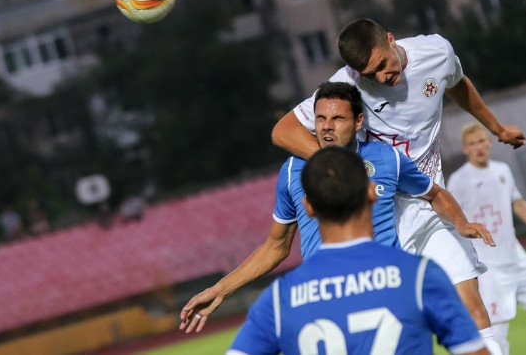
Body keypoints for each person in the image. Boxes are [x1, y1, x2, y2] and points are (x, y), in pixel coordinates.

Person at [271, 18, 524, 351]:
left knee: (471, 311)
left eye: (381, 65)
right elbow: (284, 131)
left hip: (431, 204)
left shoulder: (437, 52)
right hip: (382, 219)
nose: (380, 77)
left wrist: (496, 128)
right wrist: (338, 163)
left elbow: (457, 84)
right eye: (369, 74)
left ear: (391, 39)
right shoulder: (347, 82)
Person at [180, 82, 494, 335]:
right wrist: (221, 289)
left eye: (338, 119)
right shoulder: (293, 172)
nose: (327, 128)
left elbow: (434, 194)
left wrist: (460, 222)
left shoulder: (386, 158)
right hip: (327, 299)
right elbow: (276, 246)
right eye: (320, 119)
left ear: (358, 122)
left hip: (386, 290)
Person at [227, 146, 489, 354]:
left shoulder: (281, 298)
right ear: (372, 193)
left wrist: (218, 291)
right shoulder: (419, 276)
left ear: (308, 207)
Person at [447, 122, 526, 355]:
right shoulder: (458, 180)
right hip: (489, 266)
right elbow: (450, 219)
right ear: (465, 148)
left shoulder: (502, 170)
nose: (478, 147)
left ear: (489, 143)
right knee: (497, 330)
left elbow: (519, 205)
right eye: (472, 144)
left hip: (516, 258)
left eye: (482, 141)